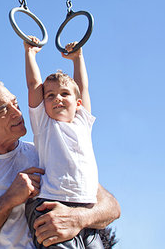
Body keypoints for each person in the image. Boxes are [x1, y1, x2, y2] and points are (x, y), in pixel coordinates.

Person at [0, 81, 120, 249]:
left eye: (15, 103)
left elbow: (111, 206)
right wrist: (8, 199)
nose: (17, 113)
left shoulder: (46, 151)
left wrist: (78, 219)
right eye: (3, 110)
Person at [24, 36, 102, 248]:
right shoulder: (45, 125)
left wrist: (77, 58)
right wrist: (30, 53)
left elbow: (82, 88)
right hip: (52, 203)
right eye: (50, 95)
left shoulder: (83, 121)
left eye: (64, 94)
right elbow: (33, 85)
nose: (57, 98)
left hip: (87, 209)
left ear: (77, 103)